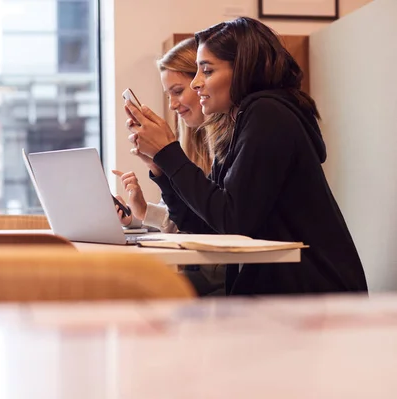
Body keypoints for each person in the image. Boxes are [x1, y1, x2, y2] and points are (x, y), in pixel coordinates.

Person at [123, 17, 368, 295]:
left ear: (243, 70)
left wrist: (170, 153)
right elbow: (205, 226)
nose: (196, 83)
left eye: (207, 71)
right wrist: (160, 168)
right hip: (286, 291)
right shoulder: (237, 124)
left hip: (312, 293)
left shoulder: (268, 114)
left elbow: (233, 221)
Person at [113, 38, 225, 296]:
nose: (173, 105)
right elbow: (188, 219)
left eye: (177, 91)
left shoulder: (227, 144)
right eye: (168, 95)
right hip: (208, 268)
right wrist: (140, 212)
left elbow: (210, 223)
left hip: (221, 272)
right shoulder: (191, 140)